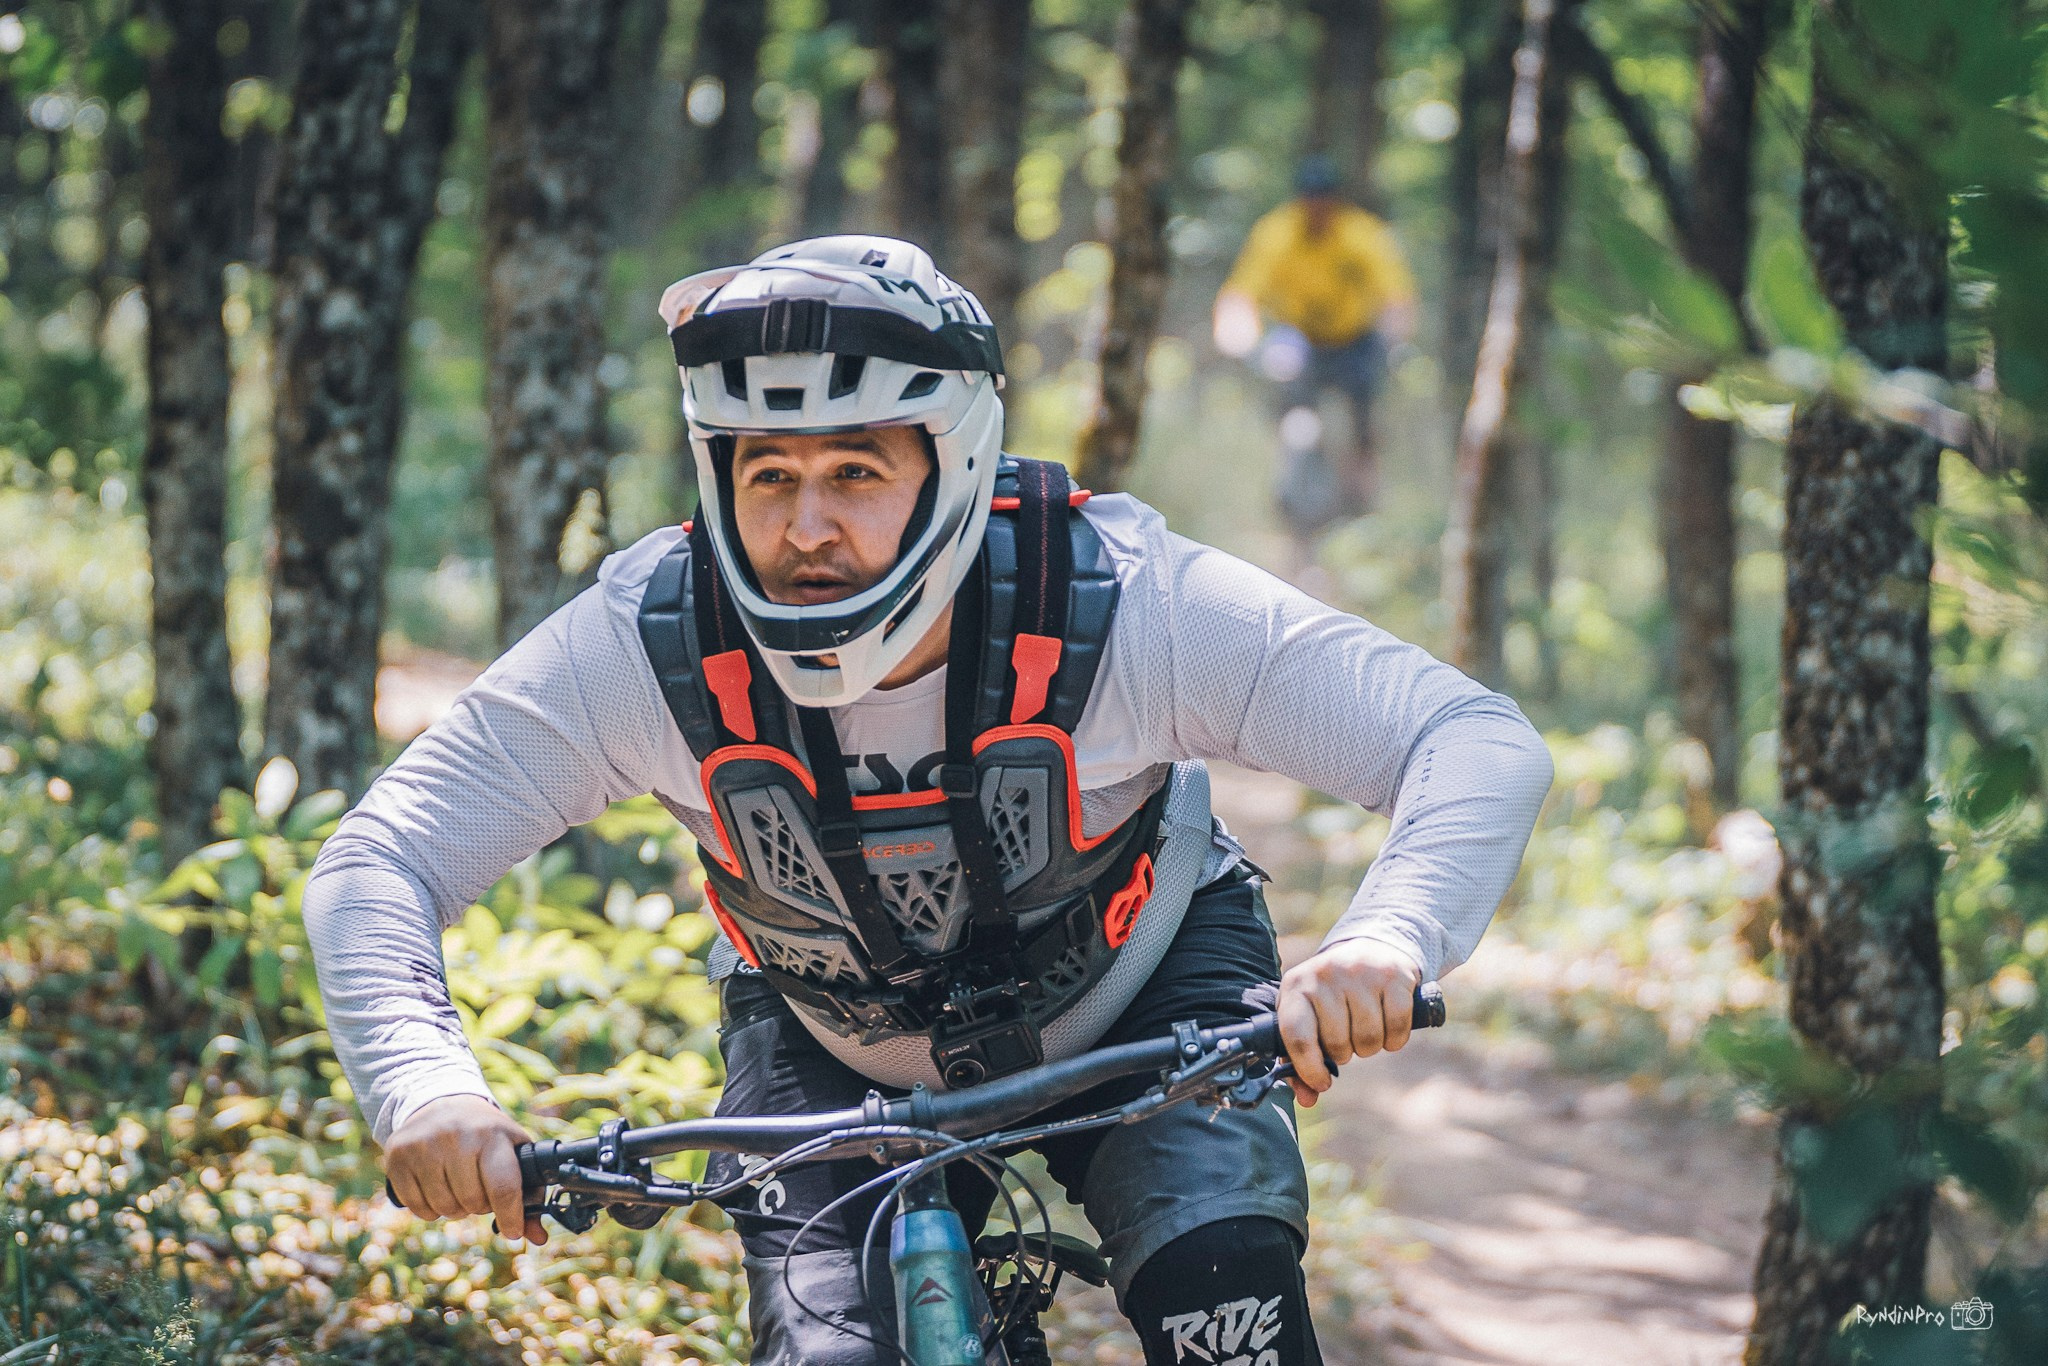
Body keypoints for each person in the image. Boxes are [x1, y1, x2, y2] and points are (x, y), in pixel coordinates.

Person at [303, 235, 1551, 1364]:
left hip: (1149, 993)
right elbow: (382, 859)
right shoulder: (648, 645)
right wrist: (427, 1085)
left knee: (1220, 1293)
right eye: (767, 474)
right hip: (823, 1040)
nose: (806, 526)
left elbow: (1468, 735)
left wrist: (1386, 935)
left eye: (856, 470)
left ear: (951, 466)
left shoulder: (1121, 601)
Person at [1213, 155, 1419, 525]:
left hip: (1353, 336)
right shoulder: (1276, 233)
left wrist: (1395, 339)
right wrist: (1238, 335)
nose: (1317, 210)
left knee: (1363, 409)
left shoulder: (1362, 234)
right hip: (1298, 337)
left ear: (1336, 202)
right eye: (1310, 201)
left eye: (1325, 201)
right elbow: (1241, 296)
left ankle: (1364, 497)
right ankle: (1288, 488)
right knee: (1288, 395)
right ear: (1299, 201)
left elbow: (1396, 297)